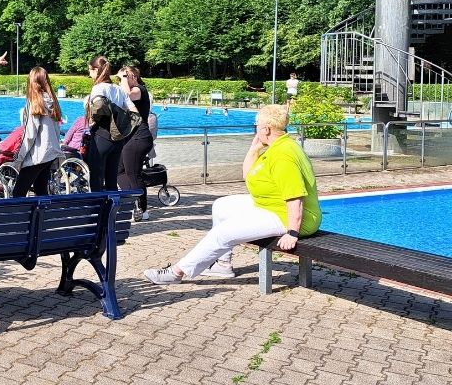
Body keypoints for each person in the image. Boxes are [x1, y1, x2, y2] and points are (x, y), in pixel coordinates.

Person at [143, 105, 321, 284]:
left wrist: (292, 232)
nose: (255, 128)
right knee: (222, 206)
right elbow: (248, 175)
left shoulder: (284, 155)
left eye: (257, 125)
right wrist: (254, 149)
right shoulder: (276, 146)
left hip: (289, 217)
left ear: (266, 129)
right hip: (271, 206)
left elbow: (295, 197)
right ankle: (222, 265)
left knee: (223, 233)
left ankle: (176, 273)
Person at [11, 67, 63, 198]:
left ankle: (21, 219)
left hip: (37, 156)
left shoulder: (34, 103)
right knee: (41, 190)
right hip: (50, 154)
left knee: (18, 193)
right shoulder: (53, 102)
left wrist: (19, 157)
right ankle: (41, 218)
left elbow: (29, 135)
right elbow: (57, 131)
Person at [84, 56, 133, 192]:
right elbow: (132, 110)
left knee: (96, 177)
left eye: (90, 70)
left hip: (101, 135)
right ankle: (113, 210)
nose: (89, 74)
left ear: (95, 70)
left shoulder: (98, 88)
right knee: (112, 178)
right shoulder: (118, 89)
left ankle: (97, 210)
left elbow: (97, 107)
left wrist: (94, 120)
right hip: (117, 139)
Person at [116, 65, 154, 221]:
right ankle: (132, 203)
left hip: (140, 137)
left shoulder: (139, 89)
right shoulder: (132, 89)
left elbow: (128, 96)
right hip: (132, 137)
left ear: (133, 77)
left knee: (133, 174)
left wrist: (124, 79)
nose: (121, 80)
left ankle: (142, 209)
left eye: (124, 77)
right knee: (119, 170)